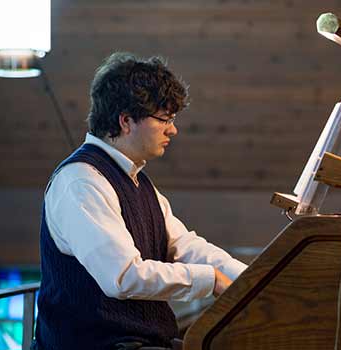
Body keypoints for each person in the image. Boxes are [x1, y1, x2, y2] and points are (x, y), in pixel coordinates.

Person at [33, 52, 247, 350]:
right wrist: (209, 279)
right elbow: (122, 277)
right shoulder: (81, 181)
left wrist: (253, 278)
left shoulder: (140, 182)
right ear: (126, 121)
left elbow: (187, 246)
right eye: (164, 119)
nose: (173, 129)